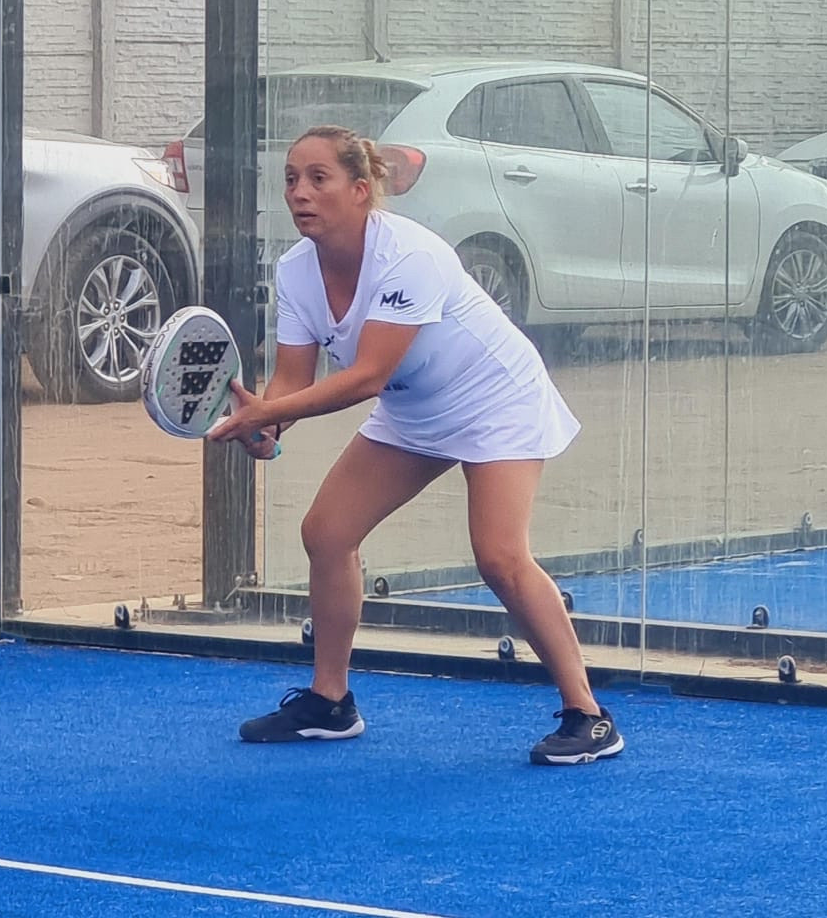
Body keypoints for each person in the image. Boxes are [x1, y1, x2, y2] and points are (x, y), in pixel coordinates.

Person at [210, 125, 624, 766]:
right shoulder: (295, 272)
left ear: (360, 189)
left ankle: (589, 716)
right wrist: (266, 425)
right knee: (327, 533)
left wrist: (271, 412)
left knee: (500, 556)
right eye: (291, 179)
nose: (300, 193)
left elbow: (367, 376)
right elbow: (293, 378)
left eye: (318, 178)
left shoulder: (411, 255)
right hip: (415, 408)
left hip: (495, 398)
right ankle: (329, 702)